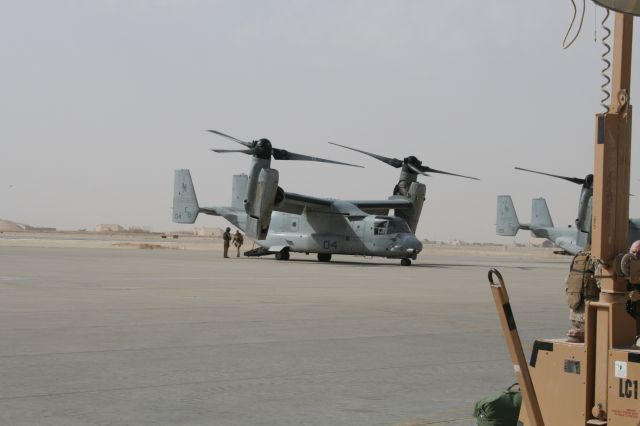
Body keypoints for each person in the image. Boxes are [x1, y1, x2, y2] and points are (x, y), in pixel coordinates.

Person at [565, 245, 598, 343]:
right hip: (589, 311)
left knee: (577, 342)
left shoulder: (578, 257)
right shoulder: (596, 260)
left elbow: (567, 281)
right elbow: (603, 284)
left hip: (574, 309)